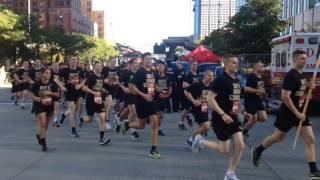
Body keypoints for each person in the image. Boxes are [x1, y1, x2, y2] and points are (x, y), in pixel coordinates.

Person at [251, 50, 320, 179]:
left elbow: (301, 94)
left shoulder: (302, 76)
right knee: (277, 137)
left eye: (305, 58)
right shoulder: (291, 75)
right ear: (295, 60)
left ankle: (313, 170)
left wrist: (311, 87)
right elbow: (285, 97)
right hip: (288, 112)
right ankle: (258, 150)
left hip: (301, 112)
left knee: (310, 139)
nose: (304, 61)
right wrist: (296, 113)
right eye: (301, 59)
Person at [193, 54, 251, 180]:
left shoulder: (236, 80)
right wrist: (223, 114)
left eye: (237, 63)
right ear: (225, 64)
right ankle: (200, 141)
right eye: (233, 63)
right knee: (224, 149)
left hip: (233, 118)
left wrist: (242, 111)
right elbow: (209, 98)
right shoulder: (220, 80)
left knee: (240, 145)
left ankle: (230, 173)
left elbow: (236, 100)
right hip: (220, 119)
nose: (236, 65)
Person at [123, 52, 161, 159]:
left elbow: (154, 85)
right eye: (147, 59)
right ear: (143, 60)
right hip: (141, 101)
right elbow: (131, 85)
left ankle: (153, 149)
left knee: (155, 123)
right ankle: (128, 125)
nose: (149, 60)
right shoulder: (139, 72)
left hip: (151, 101)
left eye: (150, 59)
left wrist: (161, 91)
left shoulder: (153, 72)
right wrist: (143, 95)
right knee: (141, 125)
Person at [79, 62, 111, 145]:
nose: (99, 68)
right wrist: (94, 93)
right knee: (89, 120)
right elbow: (84, 88)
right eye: (97, 66)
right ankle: (82, 119)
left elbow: (103, 89)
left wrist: (106, 95)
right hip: (90, 100)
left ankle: (101, 139)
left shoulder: (103, 77)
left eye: (100, 66)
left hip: (99, 101)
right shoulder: (91, 77)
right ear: (94, 68)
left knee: (102, 118)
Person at [30, 68, 59, 151]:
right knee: (42, 123)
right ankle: (44, 144)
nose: (48, 75)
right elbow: (31, 92)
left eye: (49, 73)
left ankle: (39, 136)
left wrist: (50, 93)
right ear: (42, 74)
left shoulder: (53, 83)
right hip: (39, 105)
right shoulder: (37, 83)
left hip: (49, 105)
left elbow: (57, 94)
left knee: (45, 126)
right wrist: (35, 97)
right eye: (46, 73)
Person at [185, 70, 214, 148]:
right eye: (209, 75)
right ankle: (191, 139)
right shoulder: (197, 85)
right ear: (204, 76)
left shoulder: (212, 86)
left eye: (212, 76)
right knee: (206, 126)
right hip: (197, 108)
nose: (211, 77)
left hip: (205, 108)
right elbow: (186, 91)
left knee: (204, 127)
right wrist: (193, 100)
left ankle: (196, 139)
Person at [59, 56, 85, 137]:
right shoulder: (64, 70)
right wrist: (61, 86)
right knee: (73, 109)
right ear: (69, 61)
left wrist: (80, 85)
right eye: (72, 60)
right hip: (69, 91)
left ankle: (64, 114)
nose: (74, 61)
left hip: (78, 91)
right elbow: (56, 79)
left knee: (76, 107)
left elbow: (85, 79)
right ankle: (73, 130)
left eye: (75, 60)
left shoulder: (80, 70)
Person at [242, 62, 268, 137]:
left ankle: (247, 120)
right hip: (250, 100)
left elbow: (261, 88)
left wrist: (264, 93)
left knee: (263, 118)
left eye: (262, 66)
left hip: (258, 100)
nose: (261, 68)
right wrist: (258, 91)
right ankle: (242, 133)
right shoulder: (251, 76)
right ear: (255, 68)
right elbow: (246, 89)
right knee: (254, 119)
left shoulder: (261, 77)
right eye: (259, 66)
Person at [118, 58, 140, 140]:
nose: (136, 64)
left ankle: (119, 121)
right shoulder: (127, 74)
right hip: (128, 95)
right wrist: (124, 88)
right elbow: (118, 82)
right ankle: (132, 131)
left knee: (126, 111)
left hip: (137, 95)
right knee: (133, 112)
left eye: (137, 63)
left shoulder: (140, 73)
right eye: (135, 63)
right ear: (130, 64)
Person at [179, 60, 199, 130]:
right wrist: (193, 86)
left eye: (196, 64)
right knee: (186, 109)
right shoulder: (188, 74)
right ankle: (181, 122)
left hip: (195, 95)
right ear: (190, 65)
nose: (195, 66)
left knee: (196, 108)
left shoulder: (197, 74)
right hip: (187, 94)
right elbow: (184, 85)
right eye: (194, 64)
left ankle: (189, 117)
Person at [155, 61, 172, 136]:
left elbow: (170, 87)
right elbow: (154, 86)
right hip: (156, 97)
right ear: (157, 67)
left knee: (161, 115)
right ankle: (156, 129)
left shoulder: (168, 76)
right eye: (158, 66)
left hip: (165, 97)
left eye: (161, 66)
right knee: (158, 113)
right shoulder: (154, 75)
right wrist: (160, 92)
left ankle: (158, 128)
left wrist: (168, 93)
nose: (160, 67)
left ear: (164, 67)